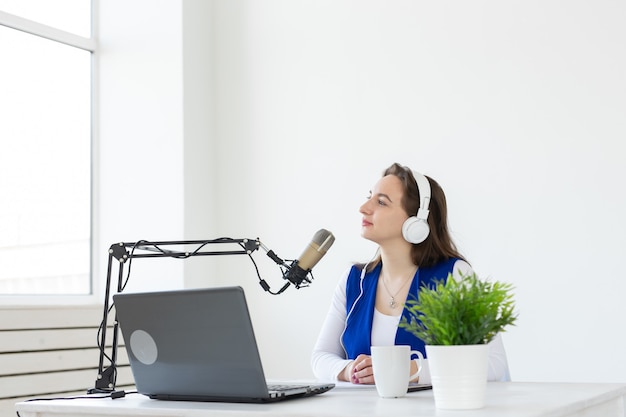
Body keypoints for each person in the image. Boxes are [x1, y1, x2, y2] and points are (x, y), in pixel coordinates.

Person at [311, 163, 509, 385]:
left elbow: (493, 362)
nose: (364, 208)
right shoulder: (355, 280)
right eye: (369, 197)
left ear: (416, 222)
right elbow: (320, 357)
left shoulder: (454, 275)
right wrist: (348, 370)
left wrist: (408, 370)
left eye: (381, 202)